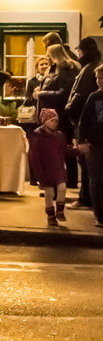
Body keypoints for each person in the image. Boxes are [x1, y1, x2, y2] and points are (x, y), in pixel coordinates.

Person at [36, 43, 80, 196]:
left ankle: (60, 185)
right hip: (52, 116)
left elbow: (63, 93)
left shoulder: (65, 71)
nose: (46, 59)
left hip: (59, 117)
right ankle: (61, 183)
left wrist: (42, 94)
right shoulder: (54, 70)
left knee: (57, 152)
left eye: (48, 56)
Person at [66, 38, 101, 209]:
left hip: (86, 126)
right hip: (93, 127)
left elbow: (79, 97)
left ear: (83, 51)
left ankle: (85, 198)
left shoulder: (87, 70)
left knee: (88, 166)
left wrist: (69, 110)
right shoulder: (95, 65)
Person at [28, 108, 70, 226]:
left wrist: (78, 150)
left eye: (56, 121)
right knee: (49, 192)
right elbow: (34, 156)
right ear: (45, 122)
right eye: (52, 121)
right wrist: (37, 173)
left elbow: (64, 150)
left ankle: (60, 210)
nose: (55, 123)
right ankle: (50, 214)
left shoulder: (59, 136)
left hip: (58, 168)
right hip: (45, 170)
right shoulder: (38, 136)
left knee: (62, 187)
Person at [76, 64, 103, 228]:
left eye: (101, 78)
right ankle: (100, 215)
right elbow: (84, 120)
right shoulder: (94, 97)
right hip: (96, 144)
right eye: (97, 78)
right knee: (96, 179)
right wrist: (82, 140)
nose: (99, 81)